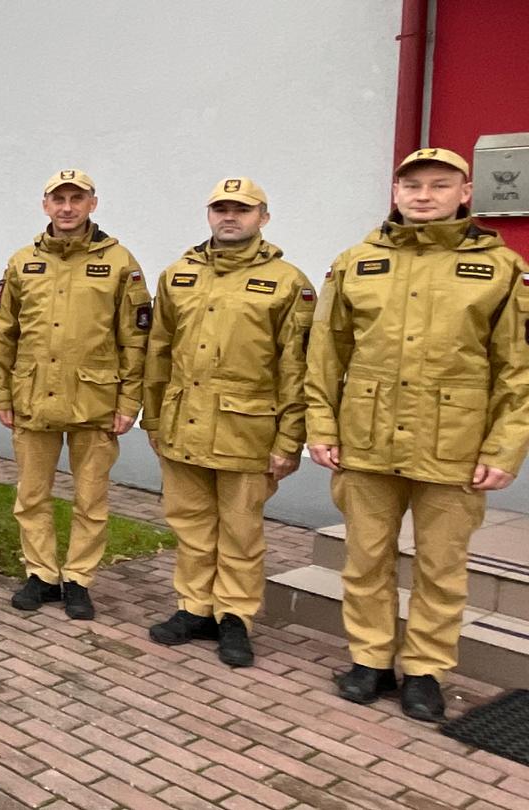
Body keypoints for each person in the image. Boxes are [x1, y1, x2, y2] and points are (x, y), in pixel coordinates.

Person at [307, 147, 529, 722]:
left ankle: (426, 669)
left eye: (439, 184)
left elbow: (517, 369)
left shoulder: (500, 267)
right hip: (366, 440)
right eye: (413, 185)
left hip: (453, 446)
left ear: (465, 192)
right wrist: (321, 427)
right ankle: (371, 658)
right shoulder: (356, 262)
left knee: (441, 565)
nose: (424, 195)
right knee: (366, 558)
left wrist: (506, 446)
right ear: (396, 192)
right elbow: (326, 354)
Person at [143, 178, 314, 668]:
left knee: (240, 531)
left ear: (264, 215)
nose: (229, 216)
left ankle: (235, 617)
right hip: (183, 424)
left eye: (241, 208)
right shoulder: (178, 275)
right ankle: (194, 607)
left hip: (249, 431)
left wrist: (289, 439)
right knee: (192, 525)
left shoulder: (288, 282)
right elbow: (158, 352)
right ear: (209, 214)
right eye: (220, 208)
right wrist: (152, 417)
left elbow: (296, 368)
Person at [0, 169, 150, 620]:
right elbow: (4, 333)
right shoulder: (23, 261)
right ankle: (41, 574)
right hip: (33, 397)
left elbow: (135, 340)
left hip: (94, 403)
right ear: (45, 206)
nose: (67, 207)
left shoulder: (120, 263)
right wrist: (1, 394)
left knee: (91, 498)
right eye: (58, 199)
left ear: (92, 204)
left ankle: (78, 578)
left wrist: (128, 403)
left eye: (75, 199)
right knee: (32, 494)